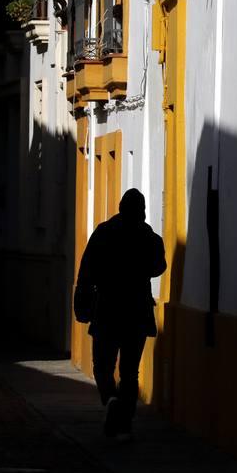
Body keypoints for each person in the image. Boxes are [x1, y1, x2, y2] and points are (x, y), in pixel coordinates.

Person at [74, 188, 166, 439]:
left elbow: (86, 270)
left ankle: (112, 401)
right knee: (130, 371)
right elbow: (159, 266)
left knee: (102, 366)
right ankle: (124, 421)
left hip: (107, 310)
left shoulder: (103, 233)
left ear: (120, 207)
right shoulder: (148, 237)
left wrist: (82, 302)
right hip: (137, 311)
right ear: (143, 210)